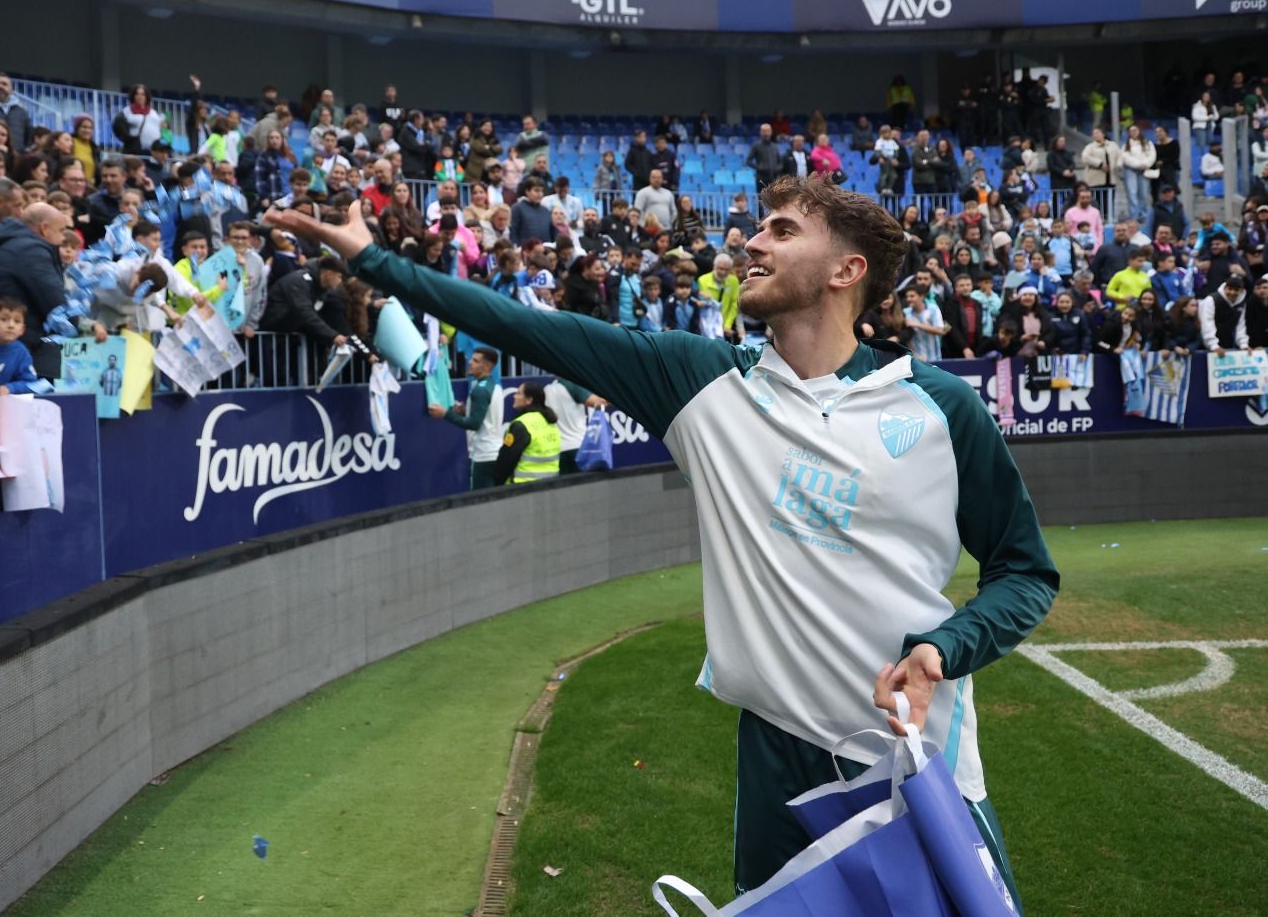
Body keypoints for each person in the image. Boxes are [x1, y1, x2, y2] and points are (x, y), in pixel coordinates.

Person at [264, 175, 1055, 902]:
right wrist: (375, 260)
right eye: (758, 228)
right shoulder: (701, 382)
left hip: (917, 756)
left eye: (782, 231)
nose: (753, 241)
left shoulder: (940, 408)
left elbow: (1024, 571)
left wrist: (942, 650)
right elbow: (527, 327)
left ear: (847, 271)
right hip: (776, 756)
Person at [0, 203, 69, 376]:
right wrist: (85, 326)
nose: (63, 238)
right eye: (61, 230)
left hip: (10, 337)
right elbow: (55, 303)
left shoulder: (19, 244)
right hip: (13, 341)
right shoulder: (31, 250)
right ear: (44, 228)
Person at [427, 346, 505, 489]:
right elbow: (485, 415)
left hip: (484, 455)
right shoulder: (493, 386)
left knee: (481, 503)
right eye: (471, 359)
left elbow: (474, 423)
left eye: (475, 361)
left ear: (487, 366)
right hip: (495, 453)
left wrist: (445, 413)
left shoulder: (480, 390)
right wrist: (465, 410)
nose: (470, 362)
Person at [260, 255, 349, 349]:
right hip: (269, 335)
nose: (340, 282)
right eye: (339, 276)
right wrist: (332, 335)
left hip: (286, 335)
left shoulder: (321, 289)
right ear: (329, 274)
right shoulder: (299, 281)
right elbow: (305, 312)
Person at [493, 380, 561, 485]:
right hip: (550, 485)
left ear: (529, 400)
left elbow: (506, 460)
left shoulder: (521, 424)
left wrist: (498, 483)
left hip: (522, 488)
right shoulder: (550, 422)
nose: (514, 396)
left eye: (519, 393)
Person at [1199, 272, 1249, 352]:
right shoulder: (1211, 300)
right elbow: (1207, 323)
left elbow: (1241, 325)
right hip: (1206, 345)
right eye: (1229, 289)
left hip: (1227, 343)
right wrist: (1213, 345)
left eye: (1236, 290)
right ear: (1225, 287)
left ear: (1241, 290)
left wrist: (1243, 344)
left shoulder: (1242, 303)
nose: (1232, 292)